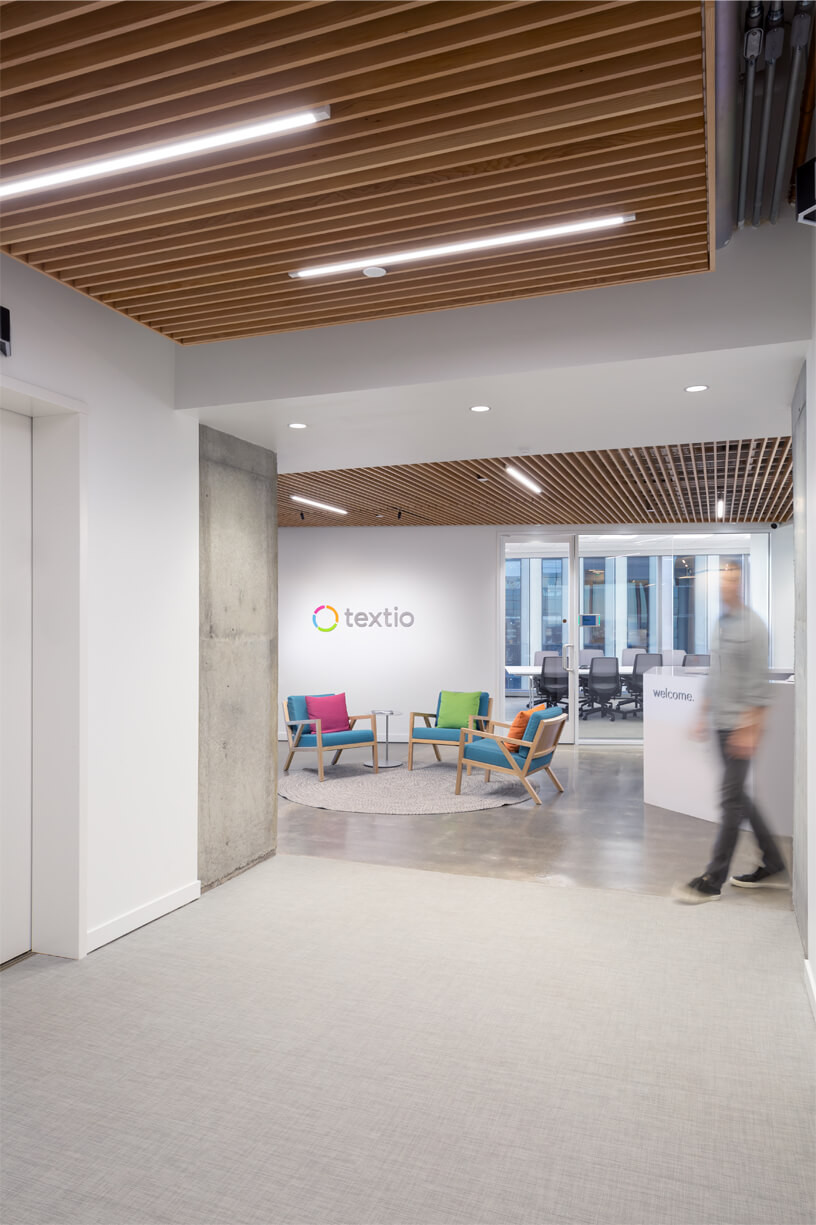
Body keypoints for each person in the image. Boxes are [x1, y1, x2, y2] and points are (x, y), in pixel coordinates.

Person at [673, 560, 788, 904]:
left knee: (730, 802)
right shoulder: (721, 623)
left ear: (742, 584)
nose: (727, 586)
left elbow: (759, 685)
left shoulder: (754, 627)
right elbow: (717, 673)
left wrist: (751, 728)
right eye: (722, 581)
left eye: (733, 580)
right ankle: (774, 862)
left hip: (740, 727)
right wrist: (703, 712)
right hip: (720, 724)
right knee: (739, 798)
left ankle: (712, 879)